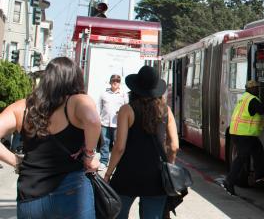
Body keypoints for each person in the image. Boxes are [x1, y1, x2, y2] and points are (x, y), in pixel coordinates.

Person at [0, 57, 101, 218]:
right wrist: (89, 155)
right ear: (75, 79)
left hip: (31, 195)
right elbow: (93, 120)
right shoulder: (77, 102)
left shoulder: (22, 107)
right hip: (73, 192)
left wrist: (16, 161)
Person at [104, 66, 179, 219]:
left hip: (127, 174)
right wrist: (169, 166)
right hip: (156, 177)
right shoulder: (166, 111)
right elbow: (174, 146)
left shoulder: (127, 110)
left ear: (135, 88)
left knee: (117, 214)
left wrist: (108, 173)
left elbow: (119, 147)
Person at [221, 80, 264, 196]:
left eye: (257, 88)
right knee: (242, 157)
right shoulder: (252, 100)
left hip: (241, 133)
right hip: (243, 134)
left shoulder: (244, 97)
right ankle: (229, 181)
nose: (257, 90)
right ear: (251, 89)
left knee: (258, 149)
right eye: (256, 88)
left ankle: (259, 175)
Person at [99, 74, 129, 170]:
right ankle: (103, 161)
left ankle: (117, 162)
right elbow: (99, 107)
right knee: (105, 143)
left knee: (118, 143)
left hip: (118, 123)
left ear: (119, 83)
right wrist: (98, 119)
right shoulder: (104, 93)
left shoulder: (123, 94)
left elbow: (127, 107)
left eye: (117, 81)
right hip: (104, 122)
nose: (115, 82)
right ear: (110, 82)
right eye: (113, 80)